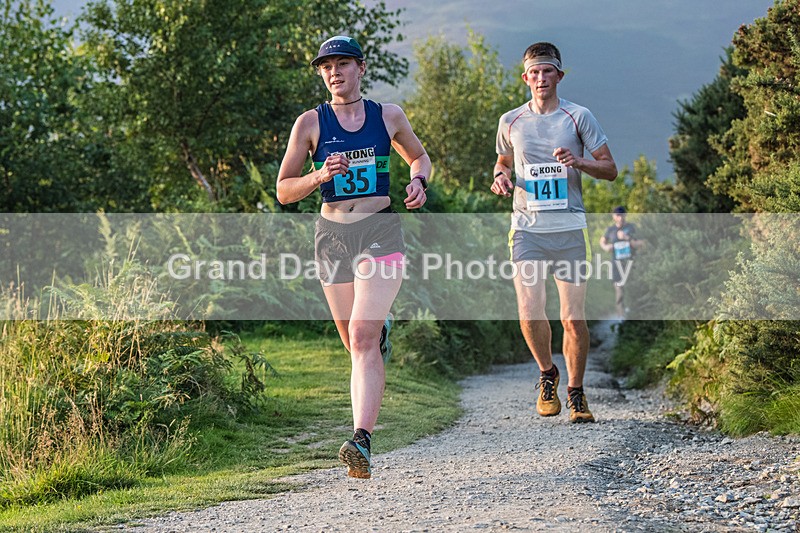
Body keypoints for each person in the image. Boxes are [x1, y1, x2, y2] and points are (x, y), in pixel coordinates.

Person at [277, 35, 431, 478]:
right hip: (331, 236)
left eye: (343, 63)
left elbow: (419, 158)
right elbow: (284, 191)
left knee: (362, 336)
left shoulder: (388, 116)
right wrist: (318, 174)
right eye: (326, 66)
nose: (334, 72)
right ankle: (378, 337)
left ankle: (361, 440)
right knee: (354, 343)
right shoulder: (310, 123)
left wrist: (419, 182)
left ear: (361, 68)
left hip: (379, 230)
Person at [490, 42, 617, 423]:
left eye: (548, 71)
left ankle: (576, 393)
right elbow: (503, 160)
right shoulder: (510, 121)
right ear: (525, 77)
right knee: (529, 312)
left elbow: (610, 168)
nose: (541, 78)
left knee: (572, 318)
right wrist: (500, 176)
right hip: (526, 230)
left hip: (569, 229)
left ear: (559, 75)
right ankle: (548, 374)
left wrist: (579, 161)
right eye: (535, 72)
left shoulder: (578, 117)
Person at [599, 206, 644, 318]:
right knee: (619, 292)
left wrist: (627, 238)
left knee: (633, 290)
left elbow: (642, 243)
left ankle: (636, 316)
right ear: (614, 216)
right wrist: (606, 247)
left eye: (622, 215)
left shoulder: (632, 227)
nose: (620, 218)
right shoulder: (610, 230)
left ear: (625, 215)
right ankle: (621, 319)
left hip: (632, 264)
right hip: (616, 265)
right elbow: (602, 242)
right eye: (618, 215)